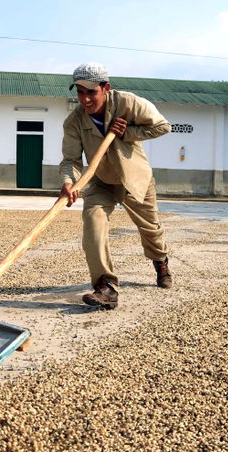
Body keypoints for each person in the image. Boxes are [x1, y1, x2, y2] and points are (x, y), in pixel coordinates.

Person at [59, 62, 173, 310]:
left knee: (150, 229)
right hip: (100, 180)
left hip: (134, 177)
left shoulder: (128, 103)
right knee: (93, 223)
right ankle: (106, 287)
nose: (85, 99)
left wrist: (127, 133)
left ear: (105, 88)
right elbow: (71, 160)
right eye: (79, 92)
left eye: (91, 92)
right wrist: (69, 182)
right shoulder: (74, 122)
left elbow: (163, 126)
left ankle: (160, 260)